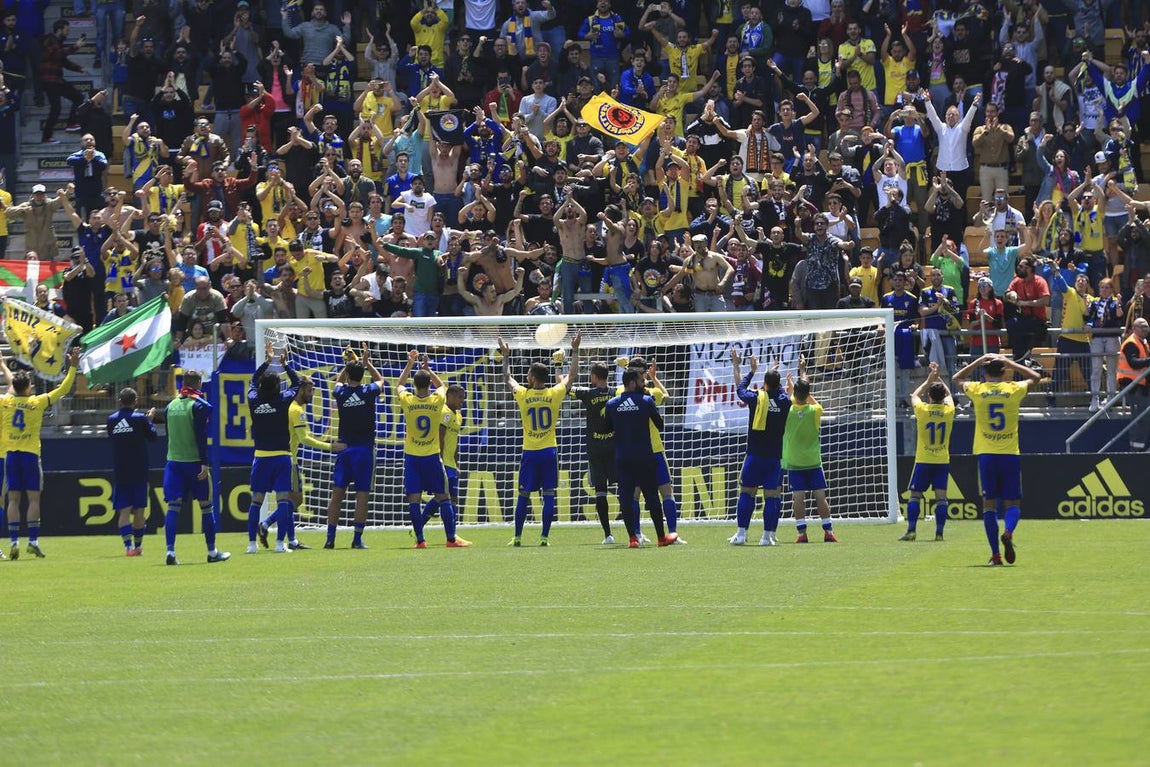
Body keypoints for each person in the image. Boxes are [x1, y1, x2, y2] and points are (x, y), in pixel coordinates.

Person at [952, 354, 1042, 565]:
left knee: (989, 506)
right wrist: (1011, 363)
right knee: (1013, 503)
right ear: (1004, 373)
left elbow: (957, 378)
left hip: (986, 454)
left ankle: (995, 554)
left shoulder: (978, 390)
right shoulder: (1013, 389)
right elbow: (1036, 377)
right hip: (1009, 454)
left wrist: (978, 360)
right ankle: (1009, 531)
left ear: (985, 373)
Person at [497, 331, 582, 547]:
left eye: (528, 374)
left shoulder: (523, 395)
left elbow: (507, 378)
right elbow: (572, 377)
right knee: (549, 495)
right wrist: (575, 351)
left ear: (533, 378)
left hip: (530, 452)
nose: (526, 376)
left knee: (524, 495)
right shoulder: (554, 394)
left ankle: (517, 537)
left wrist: (506, 356)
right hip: (549, 451)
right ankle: (544, 537)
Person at [1, 349, 78, 560]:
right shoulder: (36, 402)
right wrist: (73, 366)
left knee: (13, 500)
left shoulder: (5, 402)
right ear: (27, 388)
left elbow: (9, 387)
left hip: (11, 456)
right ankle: (33, 541)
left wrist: (3, 365)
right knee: (33, 499)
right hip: (30, 455)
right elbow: (63, 389)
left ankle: (14, 542)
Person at [396, 349, 469, 549]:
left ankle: (420, 541)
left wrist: (410, 363)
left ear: (415, 385)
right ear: (429, 385)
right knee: (444, 496)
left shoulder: (408, 400)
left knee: (414, 499)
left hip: (412, 457)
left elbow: (400, 385)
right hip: (432, 457)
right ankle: (451, 539)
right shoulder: (437, 400)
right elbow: (442, 386)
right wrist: (427, 367)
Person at [156, 370, 231, 566]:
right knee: (206, 507)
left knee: (173, 507)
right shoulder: (198, 405)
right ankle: (212, 551)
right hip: (194, 464)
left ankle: (170, 552)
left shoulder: (170, 406)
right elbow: (201, 438)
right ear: (197, 383)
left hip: (173, 463)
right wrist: (204, 463)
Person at [605, 368, 679, 548]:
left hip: (623, 457)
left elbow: (607, 429)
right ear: (631, 383)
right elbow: (660, 425)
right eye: (640, 381)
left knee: (627, 498)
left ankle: (632, 539)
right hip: (644, 457)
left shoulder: (612, 404)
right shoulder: (646, 401)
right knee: (652, 497)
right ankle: (661, 538)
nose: (643, 384)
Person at [729, 350, 791, 546]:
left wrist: (748, 370)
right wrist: (772, 375)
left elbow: (740, 389)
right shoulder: (784, 401)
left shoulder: (757, 398)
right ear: (778, 383)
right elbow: (781, 391)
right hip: (774, 458)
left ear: (764, 383)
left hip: (754, 455)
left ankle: (741, 534)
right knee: (772, 496)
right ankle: (766, 537)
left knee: (747, 492)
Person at [246, 345, 303, 554]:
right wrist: (285, 365)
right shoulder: (282, 400)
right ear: (278, 386)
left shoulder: (254, 400)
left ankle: (251, 545)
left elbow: (252, 381)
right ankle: (280, 544)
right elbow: (297, 383)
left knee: (256, 502)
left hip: (260, 457)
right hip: (281, 457)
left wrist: (268, 362)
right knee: (283, 501)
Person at [325, 345, 383, 550]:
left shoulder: (341, 393)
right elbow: (380, 382)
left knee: (337, 494)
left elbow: (339, 382)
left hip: (345, 450)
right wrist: (367, 363)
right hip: (364, 450)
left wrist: (347, 365)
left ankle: (330, 539)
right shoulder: (368, 392)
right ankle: (357, 539)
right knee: (362, 496)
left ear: (348, 374)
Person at [899, 363, 955, 542]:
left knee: (915, 495)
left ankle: (912, 531)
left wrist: (929, 379)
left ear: (929, 396)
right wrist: (938, 378)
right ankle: (939, 533)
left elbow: (914, 395)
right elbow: (950, 395)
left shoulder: (923, 410)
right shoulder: (949, 411)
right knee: (941, 498)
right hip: (941, 460)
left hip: (924, 459)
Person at [782, 363, 837, 543]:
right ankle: (828, 532)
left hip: (795, 463)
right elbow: (809, 398)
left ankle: (802, 534)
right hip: (814, 462)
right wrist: (803, 372)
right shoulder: (815, 410)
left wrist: (791, 385)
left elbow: (793, 396)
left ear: (794, 394)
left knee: (798, 498)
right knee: (821, 498)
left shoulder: (788, 411)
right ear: (808, 395)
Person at [569, 362, 619, 544]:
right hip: (615, 447)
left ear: (595, 376)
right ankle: (635, 532)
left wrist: (558, 366)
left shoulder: (588, 394)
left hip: (596, 449)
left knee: (600, 492)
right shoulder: (616, 392)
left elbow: (565, 386)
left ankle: (608, 535)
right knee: (628, 490)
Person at [106, 387, 158, 557]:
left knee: (124, 511)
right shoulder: (140, 420)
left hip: (121, 471)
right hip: (139, 471)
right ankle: (138, 546)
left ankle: (128, 547)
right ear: (135, 402)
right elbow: (153, 436)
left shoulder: (111, 420)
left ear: (119, 402)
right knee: (140, 510)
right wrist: (149, 420)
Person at [1117, 318, 1150, 451]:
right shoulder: (1131, 343)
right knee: (1139, 420)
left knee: (1143, 419)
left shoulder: (1144, 343)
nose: (1145, 329)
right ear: (1134, 328)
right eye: (1142, 327)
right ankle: (1135, 451)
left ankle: (1139, 449)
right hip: (1133, 386)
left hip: (1143, 387)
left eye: (1147, 327)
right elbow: (1133, 363)